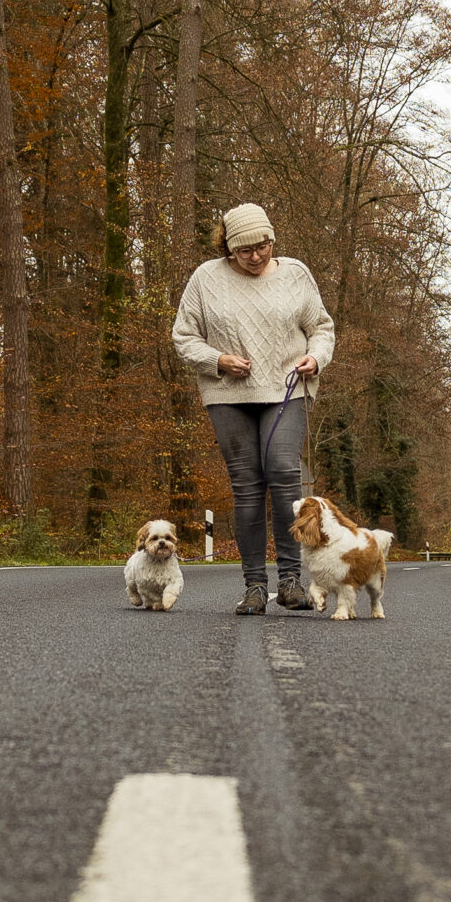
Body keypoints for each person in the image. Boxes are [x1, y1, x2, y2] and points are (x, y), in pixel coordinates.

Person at [172, 203, 335, 614]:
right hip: (228, 395)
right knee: (246, 485)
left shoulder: (296, 273)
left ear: (271, 240)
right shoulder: (206, 279)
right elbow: (184, 337)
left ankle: (291, 579)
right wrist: (217, 360)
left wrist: (315, 358)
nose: (255, 256)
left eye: (262, 246)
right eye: (244, 250)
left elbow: (321, 327)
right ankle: (254, 587)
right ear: (228, 248)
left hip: (286, 390)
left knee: (283, 472)